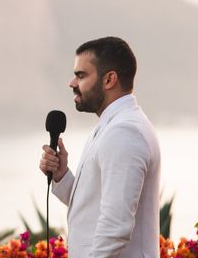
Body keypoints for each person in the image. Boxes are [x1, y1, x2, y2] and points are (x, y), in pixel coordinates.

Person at [39, 36, 161, 258]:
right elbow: (92, 206)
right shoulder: (113, 125)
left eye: (81, 75)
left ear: (109, 79)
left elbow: (115, 227)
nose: (72, 83)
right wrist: (62, 176)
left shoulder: (124, 132)